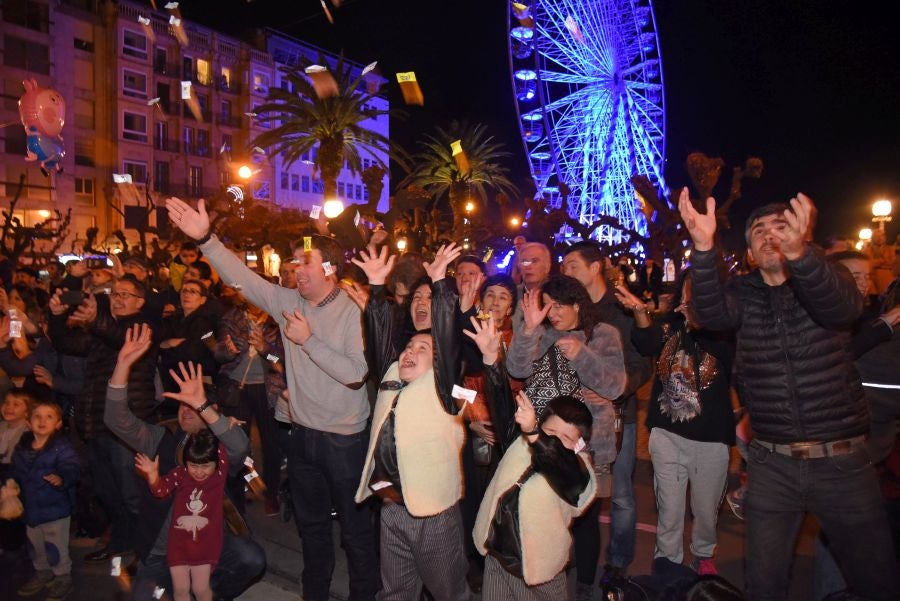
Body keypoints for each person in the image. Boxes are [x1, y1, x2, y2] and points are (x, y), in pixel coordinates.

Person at [680, 188, 898, 600]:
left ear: (802, 234)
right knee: (764, 584)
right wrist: (704, 248)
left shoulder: (829, 280)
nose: (768, 235)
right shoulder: (742, 295)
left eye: (780, 226)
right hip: (772, 464)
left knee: (877, 583)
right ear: (748, 252)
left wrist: (802, 258)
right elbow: (709, 313)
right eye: (757, 231)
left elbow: (842, 310)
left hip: (844, 464)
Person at [166, 196, 378, 601]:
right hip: (301, 437)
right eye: (294, 262)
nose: (296, 269)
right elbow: (243, 280)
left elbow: (355, 374)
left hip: (344, 442)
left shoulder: (354, 311)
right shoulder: (287, 301)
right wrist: (207, 240)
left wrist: (308, 341)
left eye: (305, 262)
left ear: (330, 269)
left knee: (355, 533)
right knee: (312, 529)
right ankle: (314, 594)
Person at [104, 324, 263, 601]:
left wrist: (202, 404)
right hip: (160, 554)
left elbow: (241, 446)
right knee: (138, 596)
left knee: (250, 559)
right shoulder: (161, 438)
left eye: (193, 406)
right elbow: (116, 419)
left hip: (208, 546)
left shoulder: (220, 446)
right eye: (182, 404)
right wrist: (123, 364)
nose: (185, 411)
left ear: (212, 410)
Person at [354, 243, 471, 601]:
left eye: (423, 350)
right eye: (410, 348)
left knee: (448, 593)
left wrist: (440, 284)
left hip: (432, 514)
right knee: (395, 593)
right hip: (391, 506)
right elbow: (379, 347)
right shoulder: (393, 373)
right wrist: (376, 289)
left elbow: (449, 351)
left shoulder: (443, 384)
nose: (410, 352)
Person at [469, 313, 597, 601]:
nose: (553, 440)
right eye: (549, 431)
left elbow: (564, 474)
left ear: (580, 446)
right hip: (498, 559)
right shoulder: (523, 441)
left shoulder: (580, 473)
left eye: (565, 438)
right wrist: (491, 360)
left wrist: (536, 435)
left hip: (539, 575)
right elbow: (502, 406)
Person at [618, 274, 735, 575]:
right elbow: (645, 343)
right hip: (666, 433)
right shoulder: (670, 325)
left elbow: (728, 355)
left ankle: (703, 554)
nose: (695, 289)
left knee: (705, 512)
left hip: (710, 438)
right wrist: (641, 313)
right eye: (690, 283)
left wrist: (701, 321)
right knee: (669, 510)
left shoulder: (727, 329)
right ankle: (667, 563)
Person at [562, 241, 653, 586]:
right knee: (575, 488)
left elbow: (640, 363)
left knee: (621, 493)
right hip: (575, 418)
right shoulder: (572, 309)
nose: (566, 272)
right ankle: (573, 555)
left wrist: (614, 390)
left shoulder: (620, 310)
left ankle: (617, 561)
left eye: (572, 265)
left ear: (595, 266)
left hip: (616, 418)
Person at [48, 275, 158, 561]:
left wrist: (97, 320)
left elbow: (122, 339)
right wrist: (57, 317)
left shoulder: (144, 326)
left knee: (131, 493)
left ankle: (147, 552)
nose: (118, 299)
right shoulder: (104, 327)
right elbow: (68, 344)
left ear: (140, 301)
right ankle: (121, 542)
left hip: (126, 425)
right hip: (96, 423)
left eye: (125, 294)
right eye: (115, 293)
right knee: (107, 491)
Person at [135, 429, 228, 601]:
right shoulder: (181, 474)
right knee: (180, 589)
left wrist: (227, 425)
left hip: (205, 544)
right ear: (186, 463)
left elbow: (224, 441)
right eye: (193, 465)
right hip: (178, 544)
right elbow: (161, 491)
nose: (199, 472)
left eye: (206, 466)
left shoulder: (218, 478)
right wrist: (153, 475)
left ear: (216, 464)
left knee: (200, 589)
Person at [12, 400, 80, 600]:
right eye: (37, 416)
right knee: (35, 545)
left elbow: (72, 467)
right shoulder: (23, 446)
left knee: (55, 545)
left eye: (49, 417)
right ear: (28, 422)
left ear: (58, 424)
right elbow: (15, 470)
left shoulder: (61, 447)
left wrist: (62, 478)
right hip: (31, 508)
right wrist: (10, 484)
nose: (42, 421)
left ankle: (62, 576)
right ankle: (42, 572)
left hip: (55, 509)